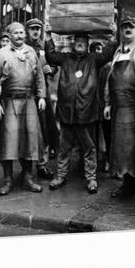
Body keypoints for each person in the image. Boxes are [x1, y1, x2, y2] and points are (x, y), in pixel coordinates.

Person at [45, 23, 118, 194]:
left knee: (89, 147)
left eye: (82, 41)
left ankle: (91, 178)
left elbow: (108, 53)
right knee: (64, 147)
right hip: (67, 111)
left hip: (87, 112)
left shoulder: (94, 59)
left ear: (87, 44)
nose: (79, 43)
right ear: (73, 43)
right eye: (77, 41)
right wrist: (48, 37)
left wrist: (114, 36)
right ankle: (61, 176)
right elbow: (51, 56)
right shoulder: (66, 58)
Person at [103, 12, 135, 211]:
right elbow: (109, 81)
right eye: (125, 26)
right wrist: (107, 104)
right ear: (121, 30)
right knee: (121, 150)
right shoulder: (117, 52)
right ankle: (126, 185)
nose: (128, 29)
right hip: (118, 109)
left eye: (132, 26)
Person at [0, 22, 46, 196]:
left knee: (30, 138)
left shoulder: (31, 52)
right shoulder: (1, 54)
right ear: (9, 35)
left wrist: (42, 96)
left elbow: (39, 77)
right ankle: (8, 180)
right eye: (16, 33)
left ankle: (28, 178)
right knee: (9, 139)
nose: (20, 36)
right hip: (8, 102)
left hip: (29, 101)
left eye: (22, 33)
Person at [25, 18, 59, 180]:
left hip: (42, 94)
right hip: (26, 93)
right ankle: (26, 166)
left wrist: (50, 69)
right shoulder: (23, 47)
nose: (35, 31)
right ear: (27, 31)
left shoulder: (44, 46)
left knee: (45, 127)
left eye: (38, 29)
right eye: (32, 29)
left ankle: (42, 164)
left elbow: (55, 64)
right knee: (28, 129)